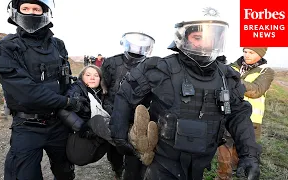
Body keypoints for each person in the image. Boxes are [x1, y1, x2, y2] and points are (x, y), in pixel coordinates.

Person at [109, 6, 262, 180]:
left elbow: (239, 115)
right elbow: (125, 96)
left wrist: (249, 155)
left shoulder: (227, 77)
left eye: (212, 38)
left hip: (200, 164)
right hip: (161, 162)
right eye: (198, 37)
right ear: (182, 37)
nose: (206, 43)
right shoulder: (159, 68)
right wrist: (119, 135)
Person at [0, 0, 79, 179]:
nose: (31, 13)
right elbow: (26, 92)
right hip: (27, 126)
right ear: (16, 11)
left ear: (45, 12)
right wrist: (68, 102)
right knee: (24, 175)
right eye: (25, 8)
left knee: (65, 171)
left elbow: (66, 81)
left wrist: (76, 97)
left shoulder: (58, 45)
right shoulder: (4, 48)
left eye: (37, 9)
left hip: (59, 123)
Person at [101, 31, 156, 180]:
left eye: (143, 44)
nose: (138, 48)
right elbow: (105, 86)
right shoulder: (111, 62)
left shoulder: (150, 67)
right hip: (114, 112)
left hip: (137, 116)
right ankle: (117, 170)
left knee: (133, 150)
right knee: (115, 149)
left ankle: (130, 173)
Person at [216, 47, 274, 180]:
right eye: (245, 51)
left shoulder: (267, 71)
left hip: (251, 121)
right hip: (228, 116)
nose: (247, 55)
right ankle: (222, 177)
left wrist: (232, 79)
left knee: (243, 158)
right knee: (224, 157)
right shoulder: (231, 67)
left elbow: (256, 90)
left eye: (251, 52)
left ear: (260, 54)